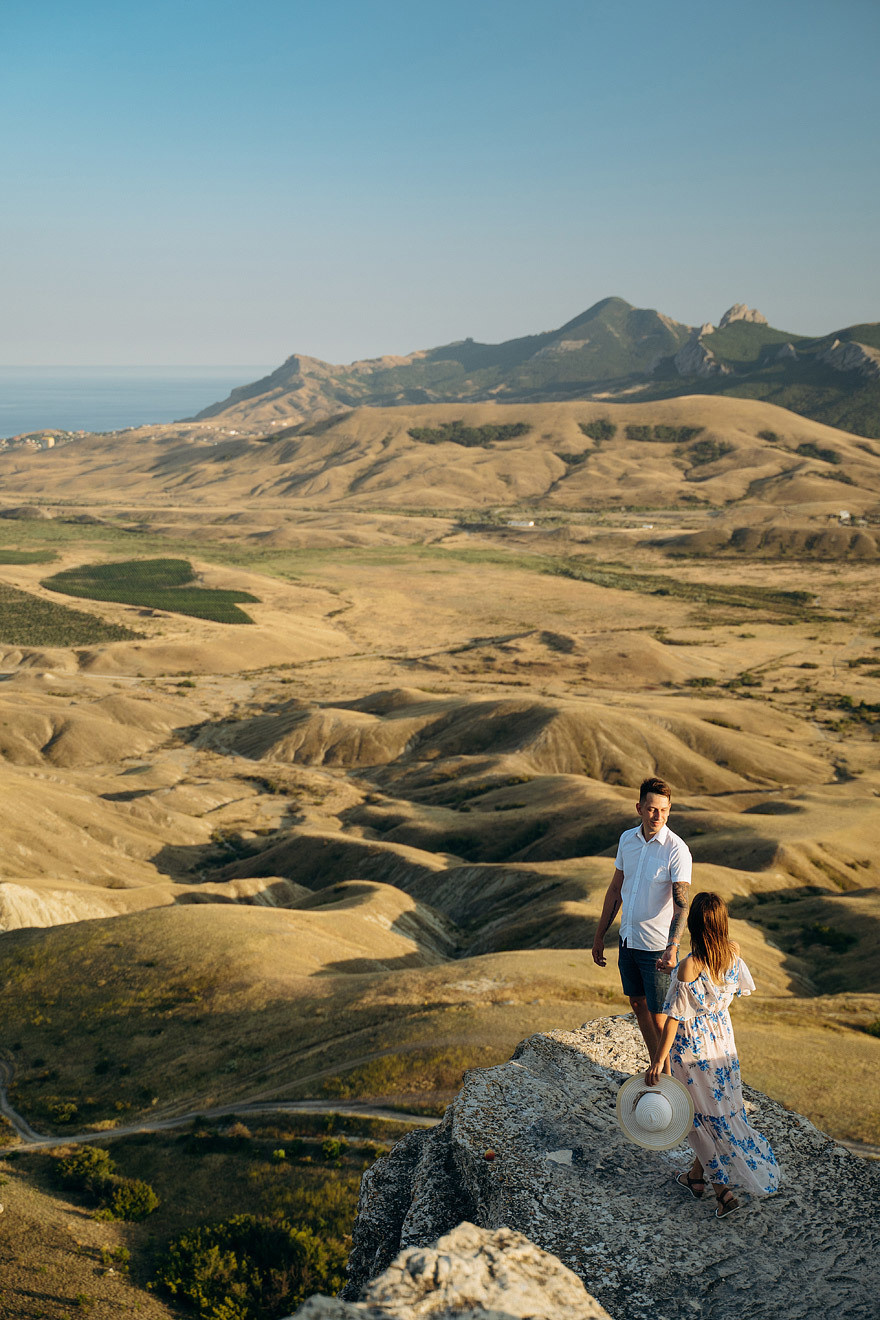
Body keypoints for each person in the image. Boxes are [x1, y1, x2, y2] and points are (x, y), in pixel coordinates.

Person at [646, 891, 780, 1218]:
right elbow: (725, 988)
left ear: (692, 925)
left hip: (692, 1051)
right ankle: (695, 1178)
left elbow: (675, 1019)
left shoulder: (690, 966)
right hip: (723, 1046)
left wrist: (658, 1061)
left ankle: (722, 1192)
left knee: (693, 1119)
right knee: (716, 1114)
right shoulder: (733, 953)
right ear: (723, 923)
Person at [592, 776, 691, 1072]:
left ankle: (673, 1084)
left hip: (657, 947)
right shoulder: (627, 840)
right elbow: (615, 890)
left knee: (660, 1016)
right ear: (639, 808)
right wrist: (599, 937)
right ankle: (657, 1067)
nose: (657, 816)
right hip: (628, 940)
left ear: (670, 810)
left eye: (663, 809)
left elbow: (682, 904)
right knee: (637, 1004)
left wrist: (673, 948)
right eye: (651, 809)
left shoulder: (676, 849)